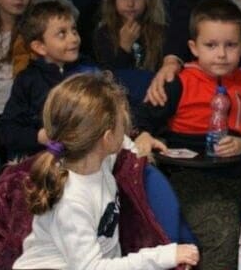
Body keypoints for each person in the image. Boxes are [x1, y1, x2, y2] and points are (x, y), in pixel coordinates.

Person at [134, 0, 241, 270]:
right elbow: (141, 117)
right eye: (211, 45)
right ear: (193, 47)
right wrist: (142, 133)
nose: (221, 54)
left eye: (230, 45)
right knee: (223, 231)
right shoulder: (177, 83)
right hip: (191, 177)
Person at [12, 73, 199, 270]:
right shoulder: (72, 200)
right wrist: (163, 256)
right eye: (122, 125)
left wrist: (144, 138)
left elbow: (126, 145)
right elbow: (92, 268)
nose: (126, 129)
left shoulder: (98, 159)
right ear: (107, 139)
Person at [0, 0, 97, 159]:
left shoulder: (90, 71)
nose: (73, 39)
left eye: (74, 30)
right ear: (40, 47)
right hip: (43, 160)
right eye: (62, 34)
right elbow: (7, 130)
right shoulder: (28, 80)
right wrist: (40, 137)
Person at [93, 0, 166, 71]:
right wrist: (124, 46)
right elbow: (109, 75)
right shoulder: (103, 34)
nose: (130, 4)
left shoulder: (161, 32)